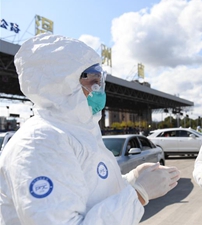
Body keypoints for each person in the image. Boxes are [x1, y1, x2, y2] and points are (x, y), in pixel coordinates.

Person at [0, 34, 180, 224]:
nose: (99, 88)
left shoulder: (75, 132)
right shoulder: (41, 142)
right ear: (62, 84)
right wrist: (137, 194)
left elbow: (91, 195)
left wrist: (131, 180)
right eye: (92, 80)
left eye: (99, 80)